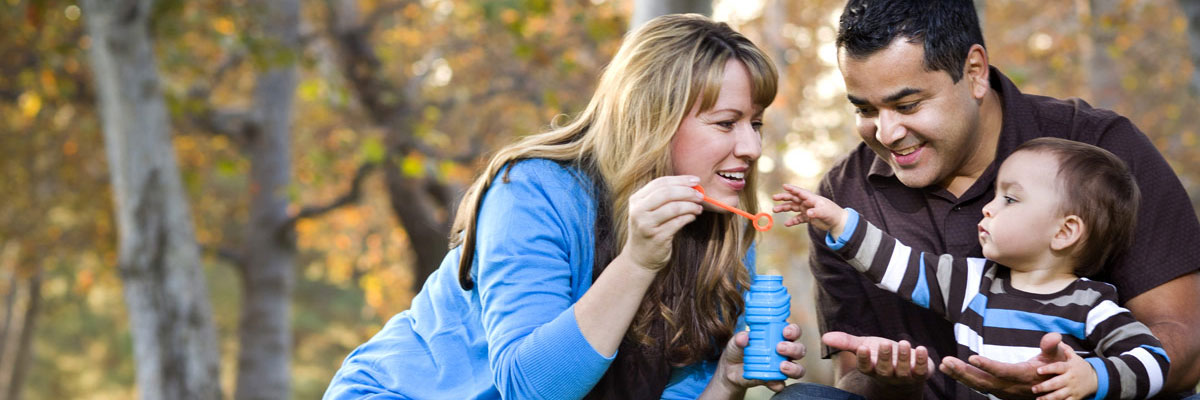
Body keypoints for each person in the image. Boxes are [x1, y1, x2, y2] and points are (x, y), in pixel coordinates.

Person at [322, 14, 809, 400]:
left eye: (757, 123)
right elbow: (532, 389)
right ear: (653, 118)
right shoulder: (532, 191)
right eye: (727, 123)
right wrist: (637, 262)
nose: (751, 147)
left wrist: (723, 382)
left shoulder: (723, 233)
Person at [810, 0, 1200, 398]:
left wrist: (1080, 382)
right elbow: (851, 378)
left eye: (907, 105)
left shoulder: (1101, 150)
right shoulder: (842, 197)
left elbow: (1183, 351)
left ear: (974, 72)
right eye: (864, 109)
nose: (887, 133)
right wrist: (893, 382)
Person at [776, 137, 1170, 399]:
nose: (988, 207)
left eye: (1010, 200)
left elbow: (1154, 360)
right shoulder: (973, 283)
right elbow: (898, 264)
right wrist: (838, 221)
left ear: (1065, 232)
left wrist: (1092, 377)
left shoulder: (1091, 304)